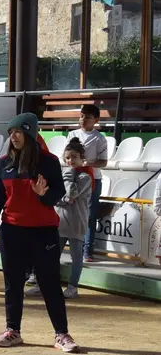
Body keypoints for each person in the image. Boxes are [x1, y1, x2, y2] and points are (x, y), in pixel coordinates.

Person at [0, 113, 79, 352]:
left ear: (30, 133)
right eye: (10, 132)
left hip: (43, 231)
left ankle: (61, 334)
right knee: (13, 283)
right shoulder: (5, 162)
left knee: (49, 283)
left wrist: (42, 194)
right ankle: (12, 331)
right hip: (11, 231)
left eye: (18, 131)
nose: (13, 136)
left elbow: (57, 194)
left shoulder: (49, 161)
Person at [34, 138, 91, 300]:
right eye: (67, 157)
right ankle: (44, 285)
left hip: (77, 223)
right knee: (51, 256)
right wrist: (64, 199)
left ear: (81, 158)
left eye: (74, 157)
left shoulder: (85, 178)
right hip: (60, 223)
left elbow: (71, 193)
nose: (70, 160)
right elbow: (55, 197)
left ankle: (72, 287)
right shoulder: (62, 174)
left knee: (76, 257)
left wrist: (68, 179)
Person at [67, 104, 108, 262]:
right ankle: (72, 248)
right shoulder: (72, 134)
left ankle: (87, 251)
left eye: (87, 117)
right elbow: (66, 156)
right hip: (74, 178)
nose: (83, 120)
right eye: (81, 116)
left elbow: (103, 162)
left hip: (92, 180)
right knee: (70, 213)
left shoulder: (99, 138)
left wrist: (87, 164)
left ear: (96, 120)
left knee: (90, 216)